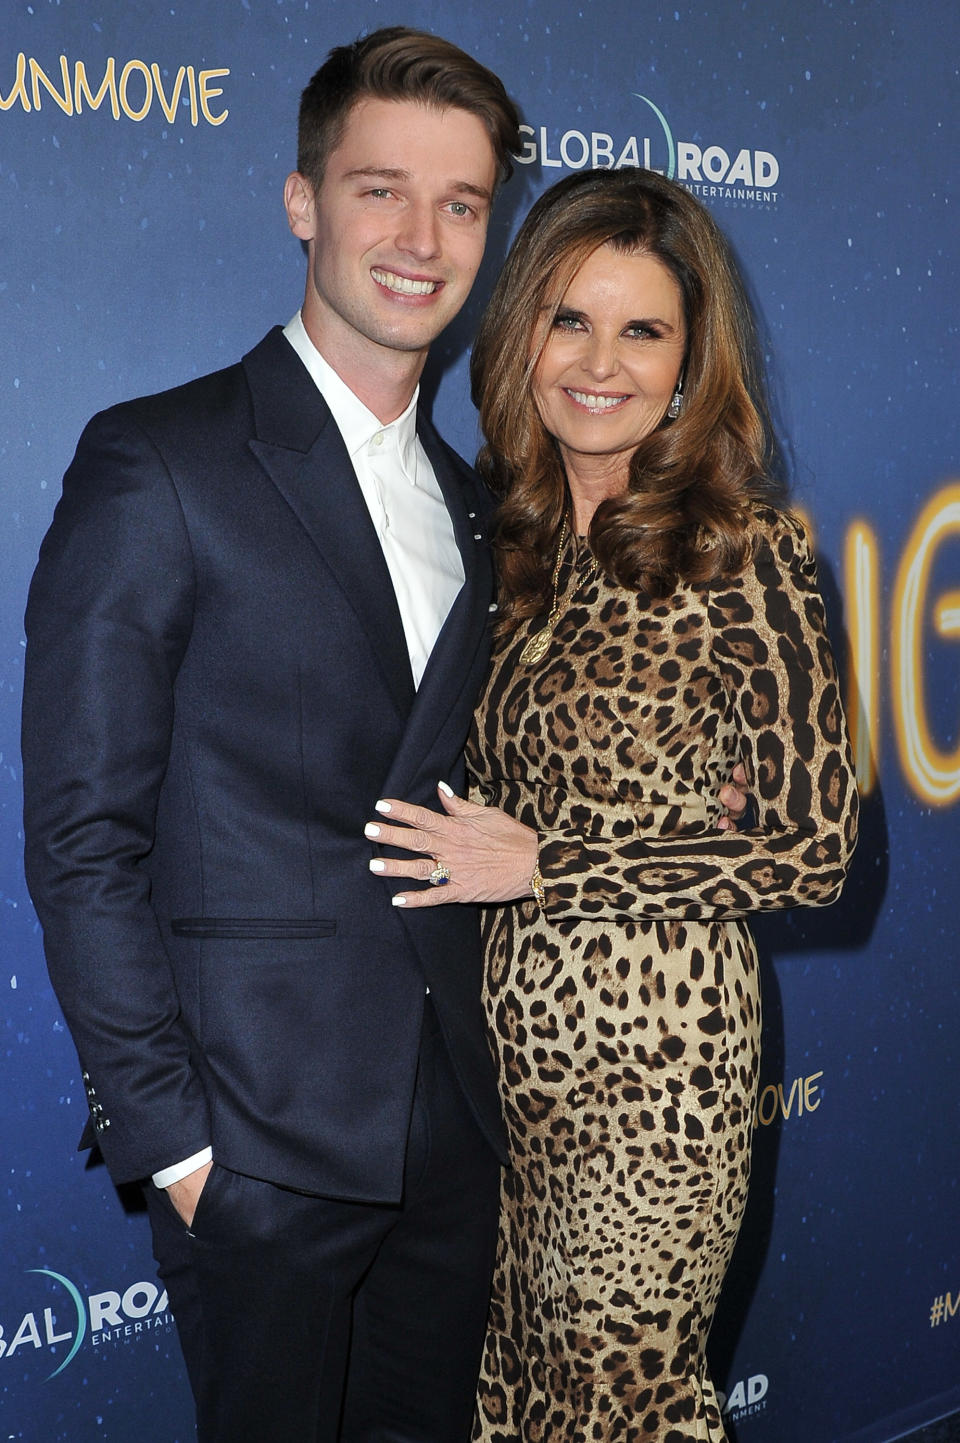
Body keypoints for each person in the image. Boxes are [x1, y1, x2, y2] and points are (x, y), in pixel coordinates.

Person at [21, 28, 521, 1443]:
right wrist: (176, 1146)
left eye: (464, 203)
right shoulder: (161, 458)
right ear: (302, 200)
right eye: (381, 190)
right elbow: (82, 832)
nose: (422, 239)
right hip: (258, 1146)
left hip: (454, 1135)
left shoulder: (479, 501)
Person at [366, 167, 859, 1441]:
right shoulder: (507, 540)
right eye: (569, 320)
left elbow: (813, 848)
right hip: (504, 1069)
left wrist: (553, 866)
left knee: (619, 1411)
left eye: (643, 329)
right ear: (520, 327)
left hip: (657, 1077)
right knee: (513, 1404)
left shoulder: (743, 549)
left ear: (693, 360)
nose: (601, 363)